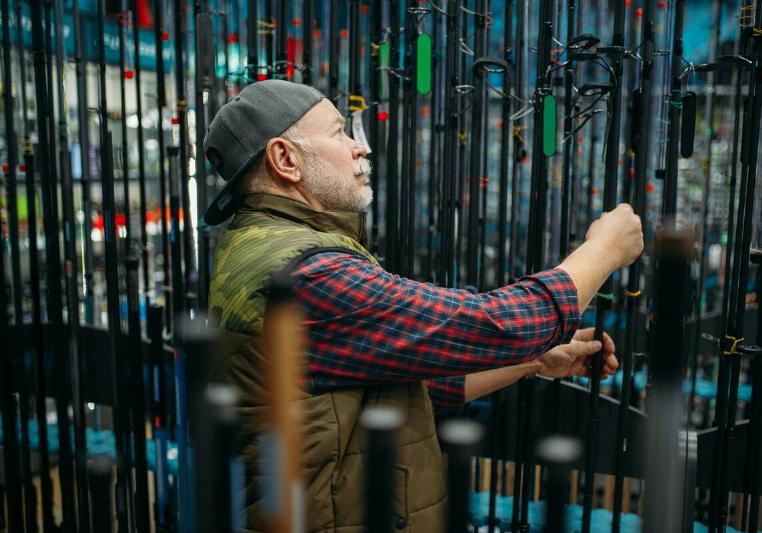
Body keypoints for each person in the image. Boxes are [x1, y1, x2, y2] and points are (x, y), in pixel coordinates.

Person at [203, 80, 643, 532]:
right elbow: (489, 325)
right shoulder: (303, 272)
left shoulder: (265, 245)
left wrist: (533, 360)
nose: (359, 148)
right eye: (338, 133)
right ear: (285, 159)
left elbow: (397, 384)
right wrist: (604, 250)